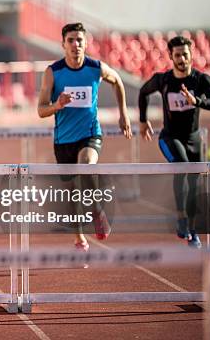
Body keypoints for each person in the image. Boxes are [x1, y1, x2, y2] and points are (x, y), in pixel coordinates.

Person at [37, 22, 132, 252]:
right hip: (63, 141)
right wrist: (57, 105)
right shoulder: (53, 72)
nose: (76, 44)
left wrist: (124, 115)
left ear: (85, 43)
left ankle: (97, 212)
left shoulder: (96, 68)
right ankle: (79, 236)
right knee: (71, 193)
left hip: (89, 134)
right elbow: (41, 110)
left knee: (86, 165)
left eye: (80, 40)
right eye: (71, 40)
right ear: (63, 44)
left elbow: (118, 81)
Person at [139, 35, 210, 248]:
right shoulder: (163, 80)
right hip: (170, 137)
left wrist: (197, 101)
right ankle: (181, 218)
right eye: (178, 55)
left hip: (194, 139)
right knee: (182, 166)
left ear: (191, 54)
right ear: (171, 56)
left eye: (185, 54)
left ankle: (192, 230)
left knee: (195, 183)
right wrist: (142, 120)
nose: (182, 59)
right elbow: (143, 92)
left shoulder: (201, 80)